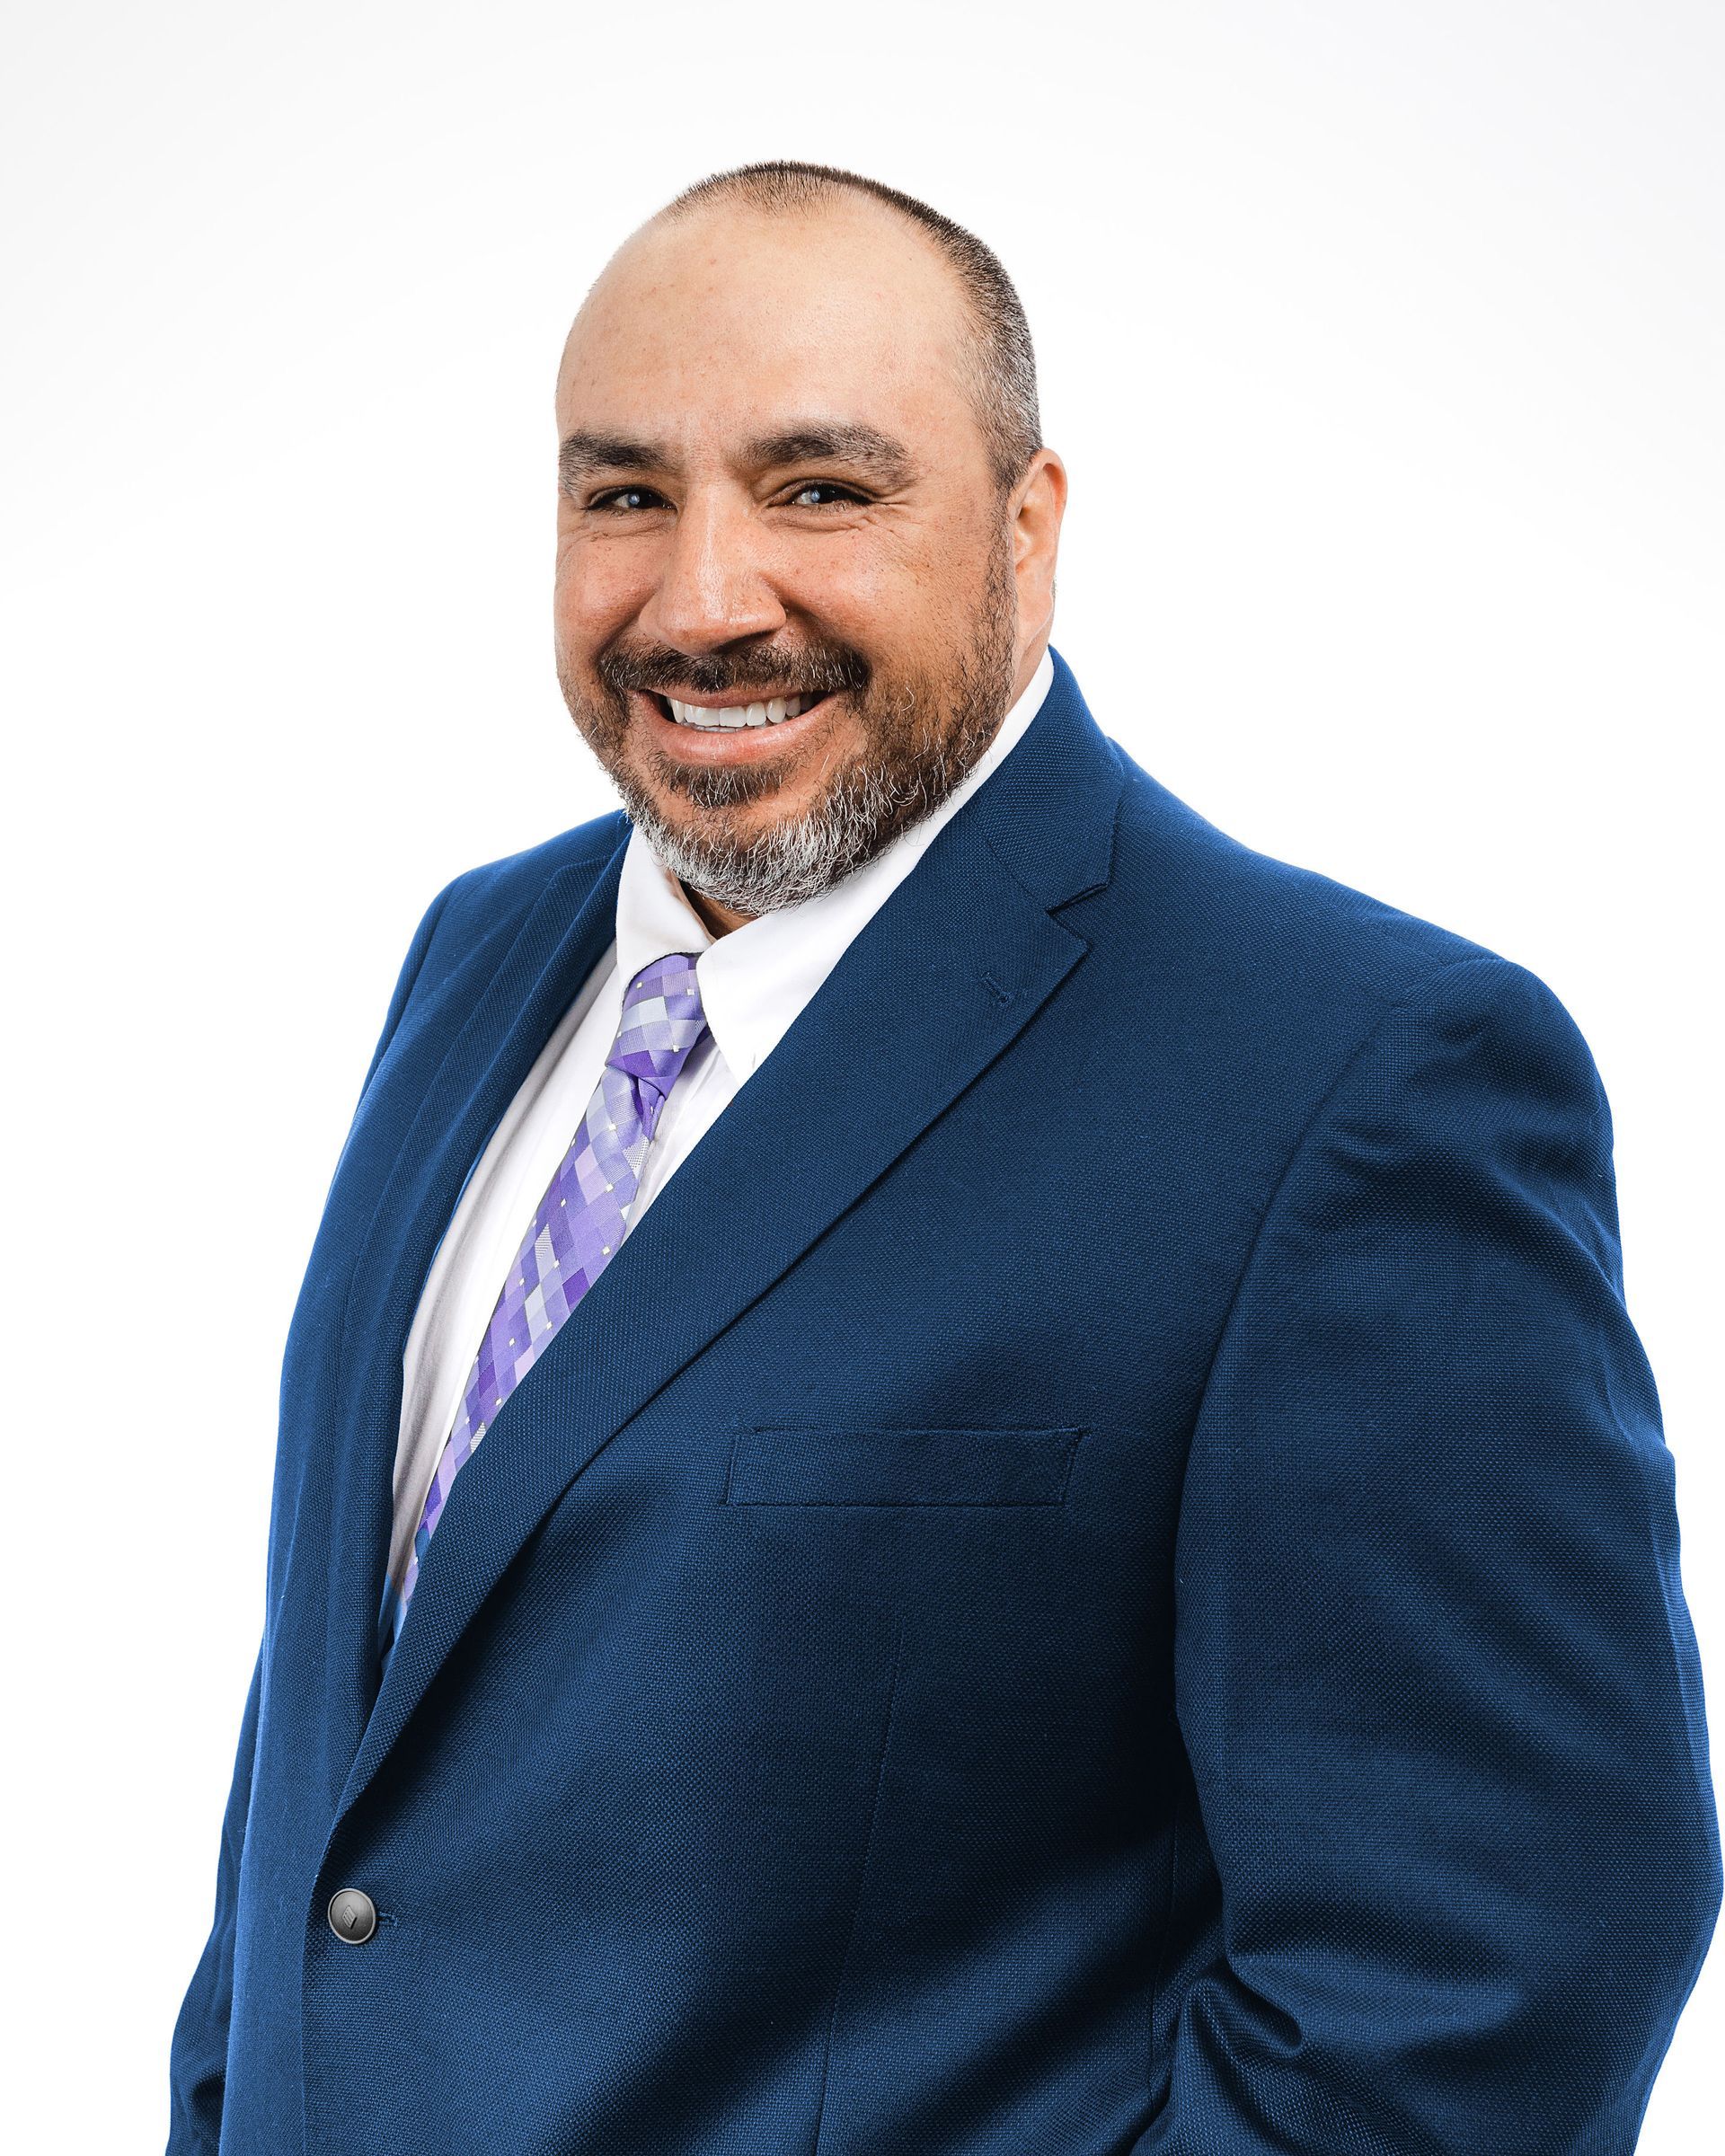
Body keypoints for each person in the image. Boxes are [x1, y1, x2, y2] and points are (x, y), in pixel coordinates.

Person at [166, 160, 1719, 2155]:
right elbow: (350, 1761)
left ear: (1029, 528)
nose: (705, 598)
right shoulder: (483, 956)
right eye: (626, 492)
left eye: (822, 490)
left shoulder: (1355, 1078)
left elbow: (1491, 1986)